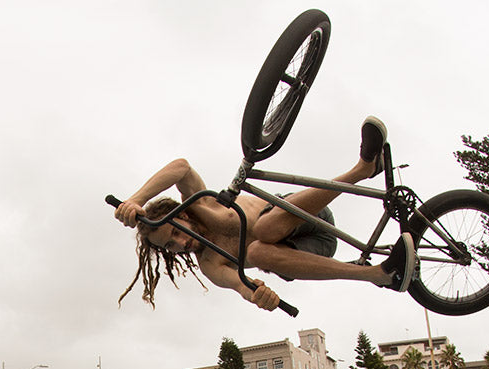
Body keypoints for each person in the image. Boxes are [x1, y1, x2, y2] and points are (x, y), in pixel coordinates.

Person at [113, 117, 413, 312]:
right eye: (170, 246)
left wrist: (136, 200)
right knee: (257, 252)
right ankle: (378, 275)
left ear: (183, 216)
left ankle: (363, 169)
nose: (180, 243)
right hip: (310, 249)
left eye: (176, 231)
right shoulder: (210, 263)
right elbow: (239, 284)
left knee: (266, 228)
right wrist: (258, 295)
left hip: (305, 214)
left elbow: (181, 166)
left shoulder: (199, 204)